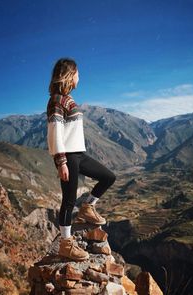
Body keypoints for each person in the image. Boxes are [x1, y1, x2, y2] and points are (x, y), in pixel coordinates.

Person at [46, 58, 116, 261]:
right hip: (67, 156)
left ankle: (87, 207)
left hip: (78, 154)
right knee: (68, 202)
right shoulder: (57, 100)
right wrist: (61, 161)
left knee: (108, 177)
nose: (79, 77)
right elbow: (55, 132)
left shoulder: (67, 99)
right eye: (77, 73)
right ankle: (65, 245)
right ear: (69, 75)